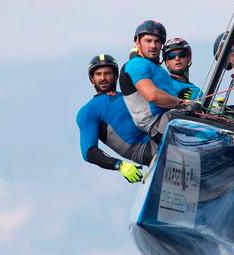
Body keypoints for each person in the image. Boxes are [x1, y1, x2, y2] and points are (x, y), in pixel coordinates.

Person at [75, 54, 151, 183]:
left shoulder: (130, 95)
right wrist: (119, 165)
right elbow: (89, 151)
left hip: (161, 136)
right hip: (145, 151)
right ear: (92, 79)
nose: (103, 78)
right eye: (98, 74)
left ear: (116, 76)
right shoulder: (88, 111)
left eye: (107, 73)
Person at [119, 20, 190, 148]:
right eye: (148, 41)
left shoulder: (157, 68)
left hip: (170, 118)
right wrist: (182, 103)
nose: (153, 45)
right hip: (158, 125)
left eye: (157, 41)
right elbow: (153, 95)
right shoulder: (136, 64)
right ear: (137, 42)